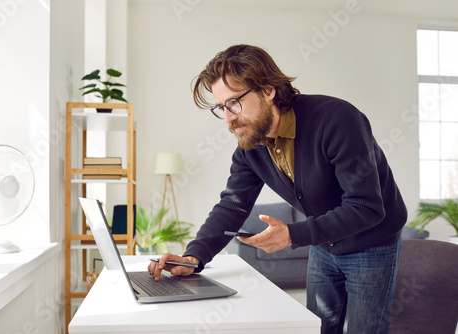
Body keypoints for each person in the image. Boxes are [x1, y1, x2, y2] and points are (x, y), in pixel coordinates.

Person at [148, 44, 407, 334]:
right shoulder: (251, 144)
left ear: (268, 90)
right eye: (221, 108)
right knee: (320, 326)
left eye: (234, 102)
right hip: (324, 244)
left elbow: (366, 207)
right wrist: (194, 257)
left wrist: (293, 234)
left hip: (371, 242)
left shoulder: (337, 119)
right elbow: (233, 204)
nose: (228, 118)